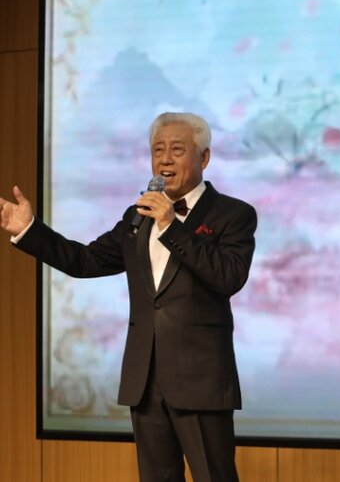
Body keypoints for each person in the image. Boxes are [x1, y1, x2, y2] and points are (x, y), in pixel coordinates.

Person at [0, 112, 257, 482]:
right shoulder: (137, 217)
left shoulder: (234, 214)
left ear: (204, 158)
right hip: (145, 381)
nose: (165, 159)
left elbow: (229, 277)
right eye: (157, 150)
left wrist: (171, 225)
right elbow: (85, 260)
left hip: (200, 380)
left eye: (177, 150)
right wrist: (29, 229)